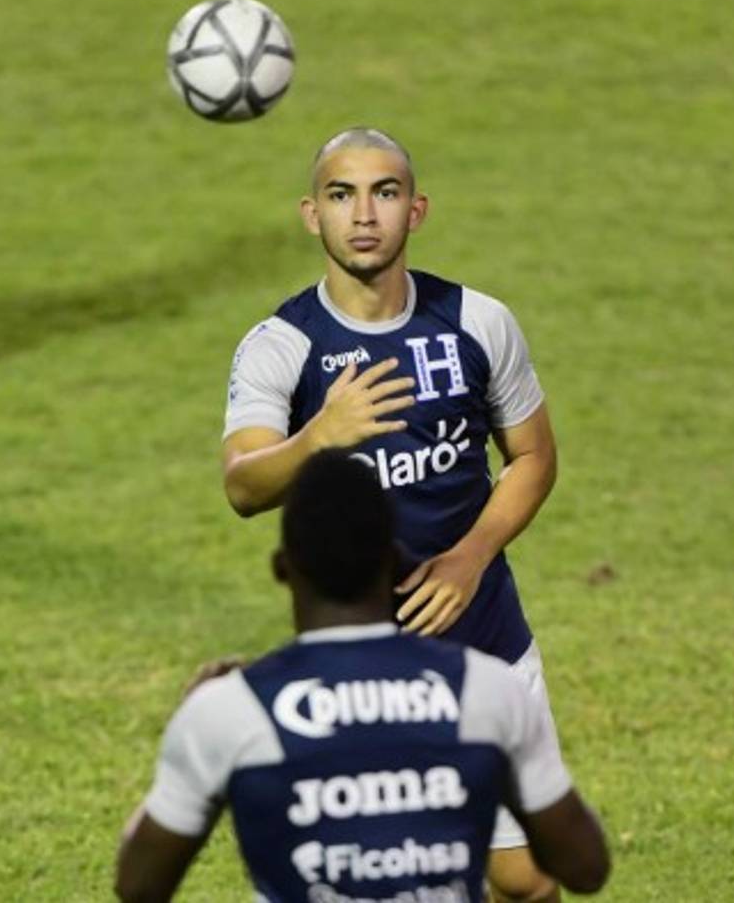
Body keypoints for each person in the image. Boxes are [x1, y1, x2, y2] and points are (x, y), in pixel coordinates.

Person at [222, 127, 561, 902]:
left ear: (417, 209)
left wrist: (471, 556)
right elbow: (243, 485)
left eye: (385, 192)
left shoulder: (477, 322)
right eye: (342, 195)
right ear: (312, 214)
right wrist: (321, 435)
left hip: (486, 645)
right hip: (356, 675)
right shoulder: (281, 347)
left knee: (525, 879)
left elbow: (534, 457)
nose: (365, 214)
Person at [116, 452, 609, 902]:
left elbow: (138, 885)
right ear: (394, 560)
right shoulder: (486, 691)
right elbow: (586, 867)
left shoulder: (230, 709)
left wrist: (191, 739)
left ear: (283, 569)